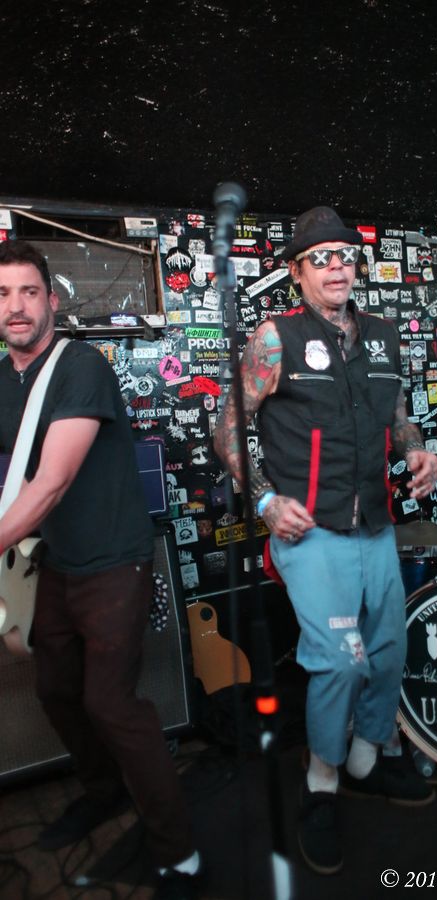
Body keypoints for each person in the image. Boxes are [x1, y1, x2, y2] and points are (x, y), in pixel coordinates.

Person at [213, 206, 437, 876]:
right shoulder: (275, 338)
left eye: (346, 255)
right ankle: (321, 780)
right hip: (309, 531)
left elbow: (396, 413)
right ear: (297, 271)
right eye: (321, 257)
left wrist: (416, 449)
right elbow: (229, 427)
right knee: (341, 662)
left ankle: (368, 757)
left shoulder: (383, 336)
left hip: (375, 526)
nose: (337, 266)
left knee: (389, 653)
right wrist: (264, 500)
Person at [0, 241, 201, 900]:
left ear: (52, 300)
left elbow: (52, 481)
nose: (16, 306)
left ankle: (179, 852)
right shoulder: (3, 379)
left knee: (110, 702)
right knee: (56, 688)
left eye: (28, 292)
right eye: (2, 294)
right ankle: (103, 790)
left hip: (115, 559)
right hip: (57, 560)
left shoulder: (79, 366)